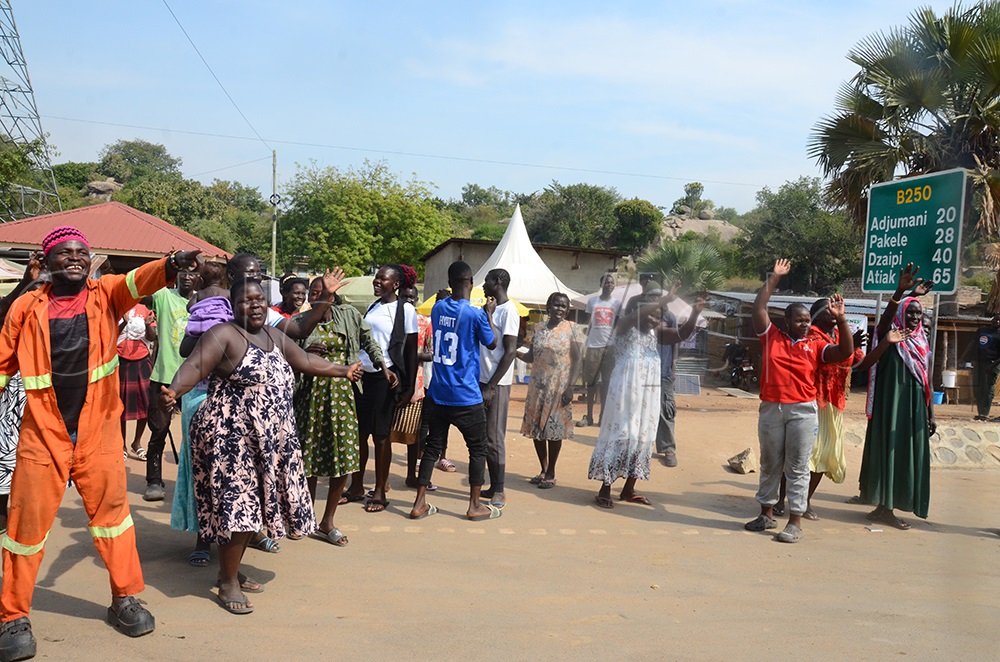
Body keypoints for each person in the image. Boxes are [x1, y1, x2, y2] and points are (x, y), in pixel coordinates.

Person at [0, 225, 201, 660]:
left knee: (113, 520)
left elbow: (138, 281)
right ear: (47, 260)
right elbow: (2, 363)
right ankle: (13, 616)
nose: (75, 257)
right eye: (65, 252)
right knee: (25, 528)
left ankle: (124, 598)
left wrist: (170, 264)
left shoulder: (105, 293)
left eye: (82, 252)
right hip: (43, 433)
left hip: (99, 431)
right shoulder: (25, 308)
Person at [161, 278, 363, 615]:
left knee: (251, 510)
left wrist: (343, 370)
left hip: (269, 442)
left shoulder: (273, 336)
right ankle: (228, 582)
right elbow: (194, 366)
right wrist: (173, 391)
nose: (254, 305)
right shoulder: (223, 334)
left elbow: (305, 360)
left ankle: (230, 571)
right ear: (233, 307)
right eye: (246, 300)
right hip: (232, 440)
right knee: (239, 509)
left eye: (259, 300)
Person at [743, 259, 853, 544]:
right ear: (787, 322)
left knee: (797, 466)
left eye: (807, 320)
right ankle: (766, 514)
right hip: (772, 409)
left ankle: (795, 522)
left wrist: (841, 319)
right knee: (770, 463)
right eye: (799, 320)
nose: (805, 324)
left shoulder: (816, 345)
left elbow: (844, 352)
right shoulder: (771, 337)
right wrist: (775, 277)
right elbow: (759, 308)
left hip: (803, 412)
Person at [292, 277, 385, 546]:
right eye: (313, 293)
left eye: (322, 293)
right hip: (309, 397)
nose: (317, 297)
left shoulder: (349, 316)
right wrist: (305, 351)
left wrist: (383, 367)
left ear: (332, 296)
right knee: (308, 460)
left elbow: (368, 341)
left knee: (342, 457)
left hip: (342, 396)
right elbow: (287, 356)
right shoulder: (300, 323)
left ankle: (327, 521)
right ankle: (306, 516)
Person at [590, 293, 705, 508]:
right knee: (620, 435)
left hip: (647, 398)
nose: (653, 319)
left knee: (643, 436)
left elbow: (681, 335)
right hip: (624, 397)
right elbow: (634, 317)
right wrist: (663, 301)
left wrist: (694, 313)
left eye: (658, 317)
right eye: (650, 314)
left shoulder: (656, 333)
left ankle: (628, 489)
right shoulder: (624, 327)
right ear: (638, 312)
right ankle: (605, 488)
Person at [408, 261, 499, 521]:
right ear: (471, 282)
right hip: (466, 395)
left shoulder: (438, 308)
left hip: (438, 393)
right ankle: (474, 505)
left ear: (450, 283)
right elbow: (492, 343)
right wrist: (489, 314)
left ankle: (419, 502)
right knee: (477, 449)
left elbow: (446, 307)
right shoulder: (475, 314)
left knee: (432, 447)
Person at [857, 263, 936, 530]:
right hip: (890, 405)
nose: (914, 317)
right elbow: (885, 322)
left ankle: (886, 506)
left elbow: (927, 380)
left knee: (903, 453)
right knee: (887, 451)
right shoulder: (890, 337)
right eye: (909, 312)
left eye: (918, 313)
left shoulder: (921, 343)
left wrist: (931, 414)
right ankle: (885, 508)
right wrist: (901, 292)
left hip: (914, 408)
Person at [775, 298, 866, 519]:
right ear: (815, 315)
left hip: (833, 404)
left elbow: (861, 363)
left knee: (824, 457)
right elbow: (831, 357)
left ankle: (805, 500)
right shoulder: (812, 336)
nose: (833, 313)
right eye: (828, 310)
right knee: (801, 455)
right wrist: (848, 346)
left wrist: (883, 343)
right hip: (813, 401)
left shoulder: (841, 335)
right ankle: (780, 499)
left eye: (835, 310)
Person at [347, 264, 416, 514]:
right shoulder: (373, 306)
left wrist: (409, 388)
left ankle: (379, 490)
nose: (377, 282)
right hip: (362, 376)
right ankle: (356, 486)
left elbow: (411, 351)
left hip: (384, 378)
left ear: (396, 284)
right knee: (360, 434)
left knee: (380, 435)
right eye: (376, 278)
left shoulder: (405, 310)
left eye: (382, 279)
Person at [142, 258, 200, 502]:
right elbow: (143, 290)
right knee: (159, 430)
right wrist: (168, 264)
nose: (187, 277)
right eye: (182, 272)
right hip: (164, 377)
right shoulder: (164, 296)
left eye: (192, 273)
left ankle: (194, 482)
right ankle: (153, 481)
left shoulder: (204, 302)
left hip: (195, 379)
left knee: (196, 434)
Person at [519, 291, 583, 490]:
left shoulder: (572, 329)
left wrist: (571, 387)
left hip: (559, 388)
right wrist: (514, 351)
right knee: (537, 430)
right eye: (556, 305)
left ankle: (552, 472)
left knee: (554, 430)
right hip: (537, 387)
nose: (559, 309)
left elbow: (578, 360)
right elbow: (531, 357)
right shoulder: (539, 328)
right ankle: (543, 468)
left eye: (563, 306)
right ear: (548, 306)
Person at [0, 254, 43, 536]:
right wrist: (27, 280)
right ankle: (4, 515)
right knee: (5, 453)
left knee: (31, 456)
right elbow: (4, 309)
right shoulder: (12, 308)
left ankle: (23, 514)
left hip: (38, 395)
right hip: (9, 394)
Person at [478, 269, 519, 509]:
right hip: (482, 380)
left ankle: (500, 490)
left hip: (496, 383)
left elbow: (510, 351)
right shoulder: (492, 309)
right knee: (484, 437)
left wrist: (491, 385)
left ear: (497, 282)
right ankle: (493, 485)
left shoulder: (509, 311)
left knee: (494, 438)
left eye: (487, 281)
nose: (484, 285)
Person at [652, 281, 698, 468]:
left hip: (664, 371)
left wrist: (674, 363)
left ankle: (668, 448)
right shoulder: (643, 318)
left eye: (658, 296)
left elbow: (676, 339)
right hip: (644, 374)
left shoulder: (669, 317)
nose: (657, 299)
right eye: (653, 296)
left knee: (666, 408)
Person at [577, 274, 620, 428]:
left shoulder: (617, 303)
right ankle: (589, 416)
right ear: (601, 284)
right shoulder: (592, 301)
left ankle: (603, 417)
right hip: (593, 346)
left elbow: (617, 323)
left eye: (611, 282)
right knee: (591, 383)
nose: (609, 284)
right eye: (606, 282)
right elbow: (588, 322)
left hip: (610, 347)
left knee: (607, 383)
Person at [117, 302, 155, 461]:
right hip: (121, 361)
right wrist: (124, 322)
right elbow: (110, 334)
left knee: (145, 405)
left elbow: (151, 337)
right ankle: (122, 445)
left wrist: (148, 325)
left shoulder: (145, 310)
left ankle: (137, 442)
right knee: (121, 407)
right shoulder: (118, 307)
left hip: (142, 361)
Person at [968, 314, 1000, 421]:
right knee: (977, 387)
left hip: (993, 363)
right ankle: (980, 412)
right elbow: (972, 344)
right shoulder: (982, 331)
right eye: (995, 319)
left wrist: (992, 366)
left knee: (988, 387)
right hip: (978, 362)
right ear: (992, 319)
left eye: (999, 320)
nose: (997, 322)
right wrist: (963, 357)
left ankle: (984, 413)